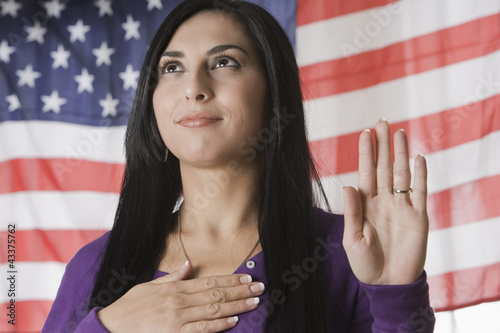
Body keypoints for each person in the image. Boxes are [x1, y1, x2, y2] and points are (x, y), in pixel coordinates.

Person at [42, 0, 436, 332]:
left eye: (224, 62)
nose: (194, 87)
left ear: (274, 94)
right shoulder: (94, 267)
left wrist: (396, 295)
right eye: (172, 68)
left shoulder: (347, 252)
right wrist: (108, 326)